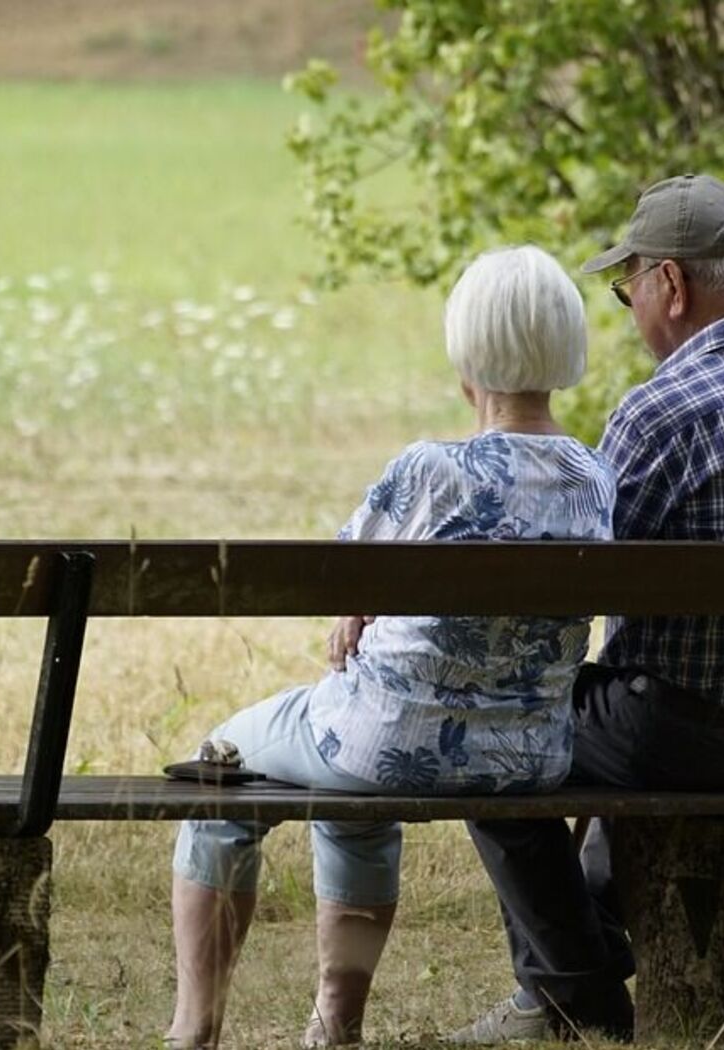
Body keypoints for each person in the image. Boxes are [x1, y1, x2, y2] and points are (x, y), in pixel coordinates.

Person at [448, 174, 724, 1043]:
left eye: (628, 294)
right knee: (633, 701)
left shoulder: (660, 413)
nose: (632, 313)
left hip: (682, 741)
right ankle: (582, 962)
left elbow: (582, 588)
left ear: (671, 284)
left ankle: (574, 995)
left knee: (488, 729)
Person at [165, 246, 616, 1049]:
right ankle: (334, 1026)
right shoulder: (594, 477)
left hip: (386, 741)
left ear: (466, 353)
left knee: (221, 765)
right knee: (348, 785)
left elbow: (339, 576)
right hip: (528, 756)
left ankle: (192, 1031)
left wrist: (357, 606)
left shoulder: (430, 470)